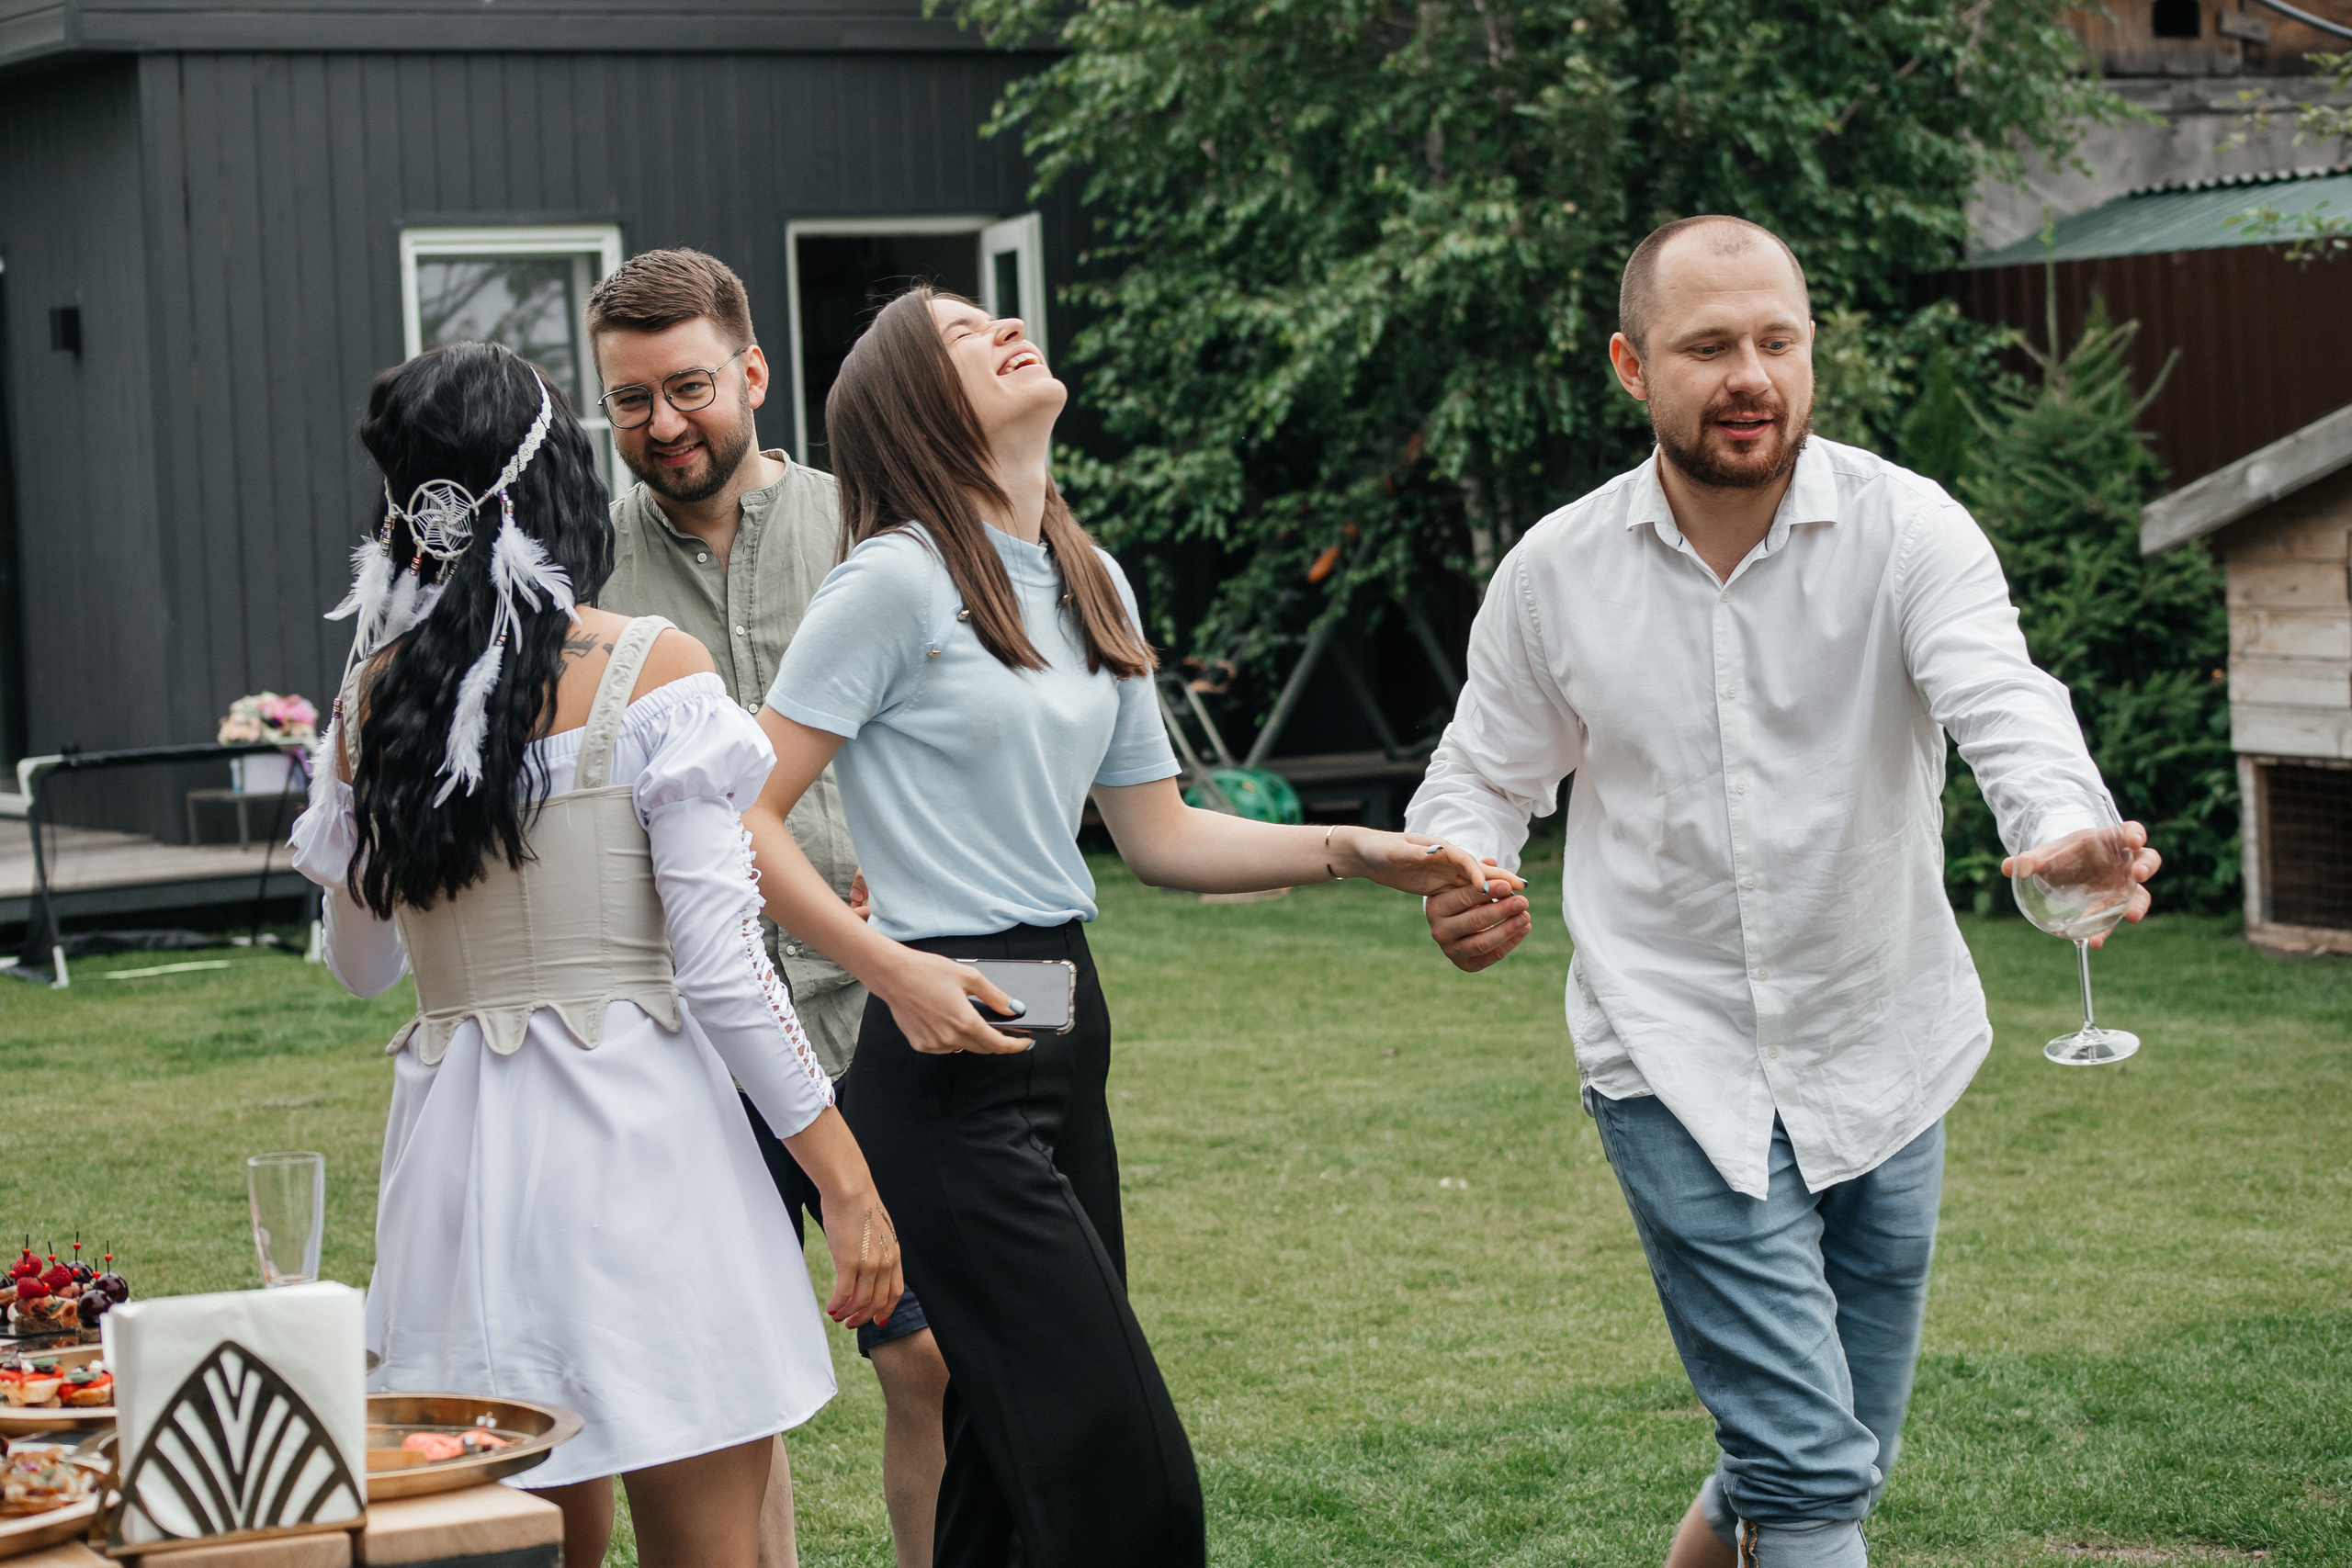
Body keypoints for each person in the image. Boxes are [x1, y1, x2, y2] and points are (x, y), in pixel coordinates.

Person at [1405, 216, 2163, 1568]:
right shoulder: (1554, 574)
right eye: (1709, 347)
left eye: (1777, 341)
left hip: (1885, 1042)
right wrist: (1457, 873)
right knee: (1812, 1467)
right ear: (1635, 369)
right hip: (1669, 1055)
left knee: (1822, 1454)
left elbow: (2002, 695)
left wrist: (2065, 824)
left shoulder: (1907, 527)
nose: (1749, 374)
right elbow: (1477, 777)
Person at [738, 286, 1508, 1568]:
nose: (997, 330)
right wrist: (889, 968)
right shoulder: (896, 583)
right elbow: (741, 813)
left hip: (1063, 1032)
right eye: (957, 338)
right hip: (943, 1070)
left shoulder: (1087, 578)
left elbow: (1158, 833)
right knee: (1126, 1489)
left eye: (991, 313)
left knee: (1009, 1479)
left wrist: (1357, 853)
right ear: (916, 405)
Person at [289, 343, 902, 1568]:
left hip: (458, 1182)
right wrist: (843, 1177)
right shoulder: (652, 671)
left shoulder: (368, 705)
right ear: (557, 478)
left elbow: (361, 968)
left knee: (508, 1540)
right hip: (646, 1167)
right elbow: (727, 970)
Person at [582, 247, 949, 1568]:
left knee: (929, 1362)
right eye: (631, 401)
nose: (663, 425)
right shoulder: (587, 572)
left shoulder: (874, 528)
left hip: (868, 1011)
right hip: (676, 1035)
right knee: (723, 1403)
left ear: (753, 371)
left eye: (688, 389)